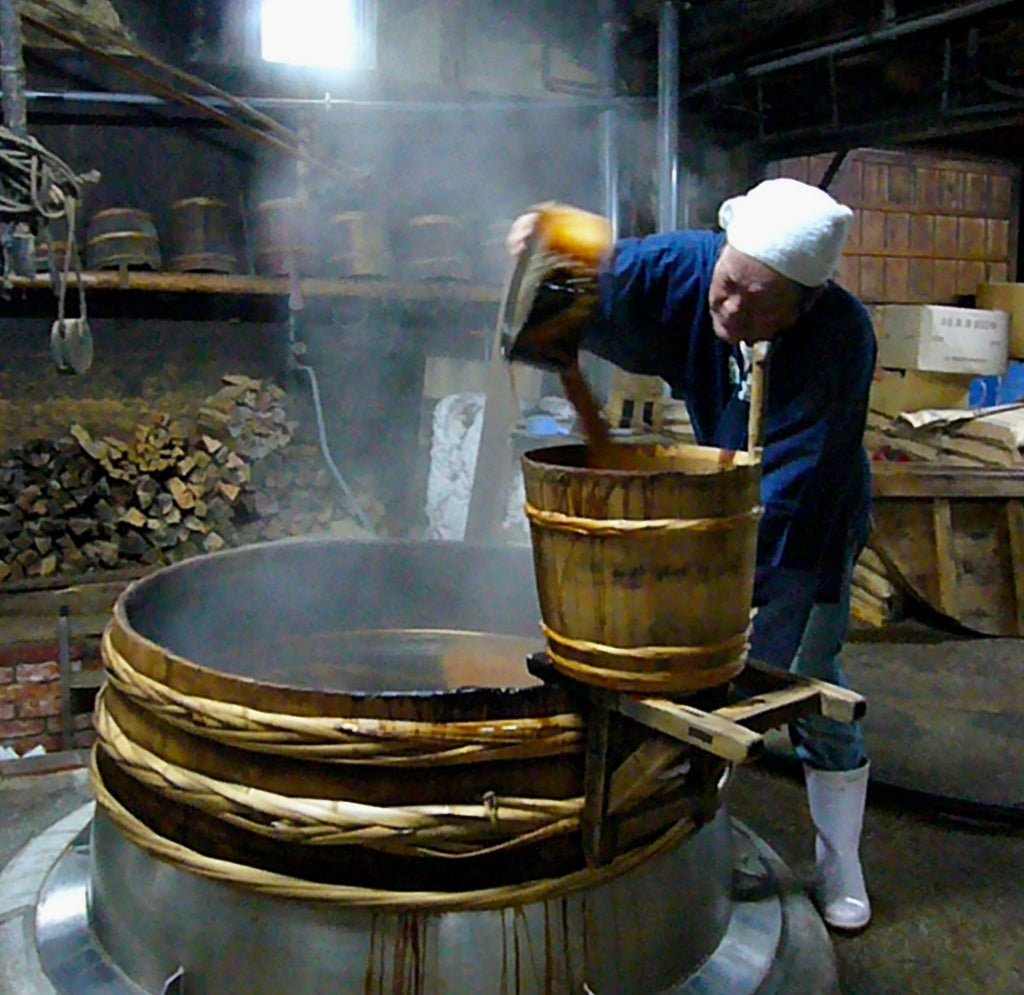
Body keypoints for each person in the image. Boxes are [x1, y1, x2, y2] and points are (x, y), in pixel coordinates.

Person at [508, 177, 876, 932]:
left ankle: (840, 858)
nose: (732, 309)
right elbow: (606, 260)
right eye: (730, 284)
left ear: (803, 303)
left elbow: (787, 489)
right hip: (724, 498)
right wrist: (547, 243)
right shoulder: (692, 263)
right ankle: (687, 825)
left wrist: (722, 603)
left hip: (805, 525)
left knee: (798, 676)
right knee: (692, 671)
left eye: (757, 303)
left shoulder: (840, 340)